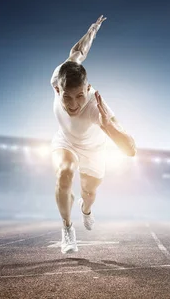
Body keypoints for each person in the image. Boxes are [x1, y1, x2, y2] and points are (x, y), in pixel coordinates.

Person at [50, 15, 136, 253]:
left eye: (79, 96)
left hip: (94, 153)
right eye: (66, 97)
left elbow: (131, 150)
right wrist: (93, 29)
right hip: (65, 142)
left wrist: (108, 126)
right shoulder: (59, 75)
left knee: (89, 194)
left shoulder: (97, 107)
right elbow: (78, 52)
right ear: (58, 88)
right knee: (64, 173)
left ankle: (85, 210)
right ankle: (67, 229)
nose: (73, 105)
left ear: (87, 89)